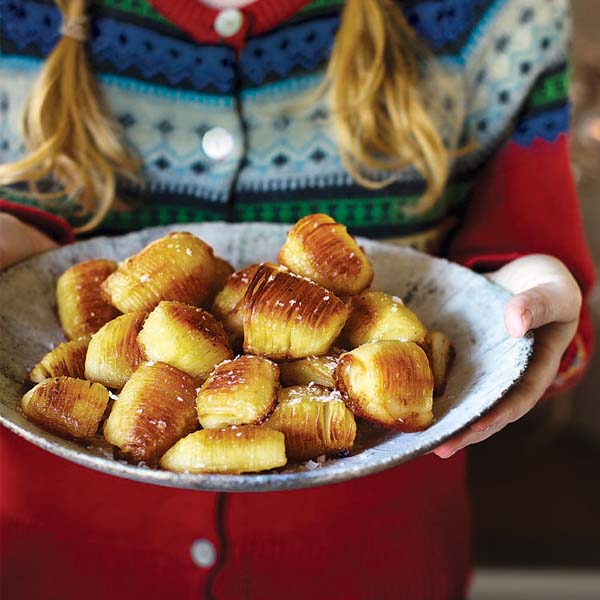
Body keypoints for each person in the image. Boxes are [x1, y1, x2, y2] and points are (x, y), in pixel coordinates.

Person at [0, 0, 595, 598]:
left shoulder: (493, 17)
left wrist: (512, 307)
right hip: (54, 558)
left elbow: (519, 252)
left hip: (368, 562)